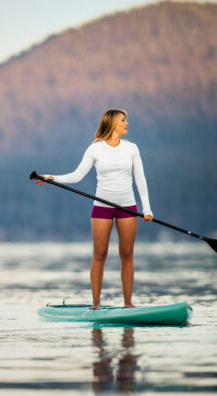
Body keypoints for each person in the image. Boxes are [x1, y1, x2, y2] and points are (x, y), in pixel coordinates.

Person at [35, 109, 153, 309]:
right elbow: (76, 175)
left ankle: (128, 304)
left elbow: (140, 179)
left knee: (127, 255)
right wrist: (53, 178)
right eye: (123, 120)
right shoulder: (95, 149)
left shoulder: (132, 148)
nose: (127, 123)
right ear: (113, 123)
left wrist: (147, 209)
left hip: (128, 208)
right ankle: (96, 304)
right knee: (99, 254)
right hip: (102, 208)